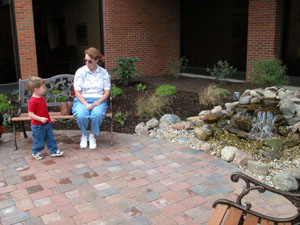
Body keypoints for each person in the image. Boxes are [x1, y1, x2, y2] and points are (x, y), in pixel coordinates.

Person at [72, 47, 111, 149]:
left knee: (97, 114)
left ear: (97, 60)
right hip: (82, 100)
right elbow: (77, 92)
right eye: (85, 60)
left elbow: (107, 92)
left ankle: (92, 135)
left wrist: (99, 102)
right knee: (81, 115)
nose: (87, 63)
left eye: (90, 61)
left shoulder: (103, 73)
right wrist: (85, 104)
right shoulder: (80, 72)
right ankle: (84, 135)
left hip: (99, 99)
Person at [27, 77, 64, 160]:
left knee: (51, 138)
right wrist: (40, 119)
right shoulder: (33, 101)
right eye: (43, 87)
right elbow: (30, 114)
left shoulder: (42, 98)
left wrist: (49, 118)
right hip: (38, 126)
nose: (45, 89)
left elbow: (44, 111)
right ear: (36, 90)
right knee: (39, 141)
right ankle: (36, 151)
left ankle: (54, 151)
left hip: (47, 123)